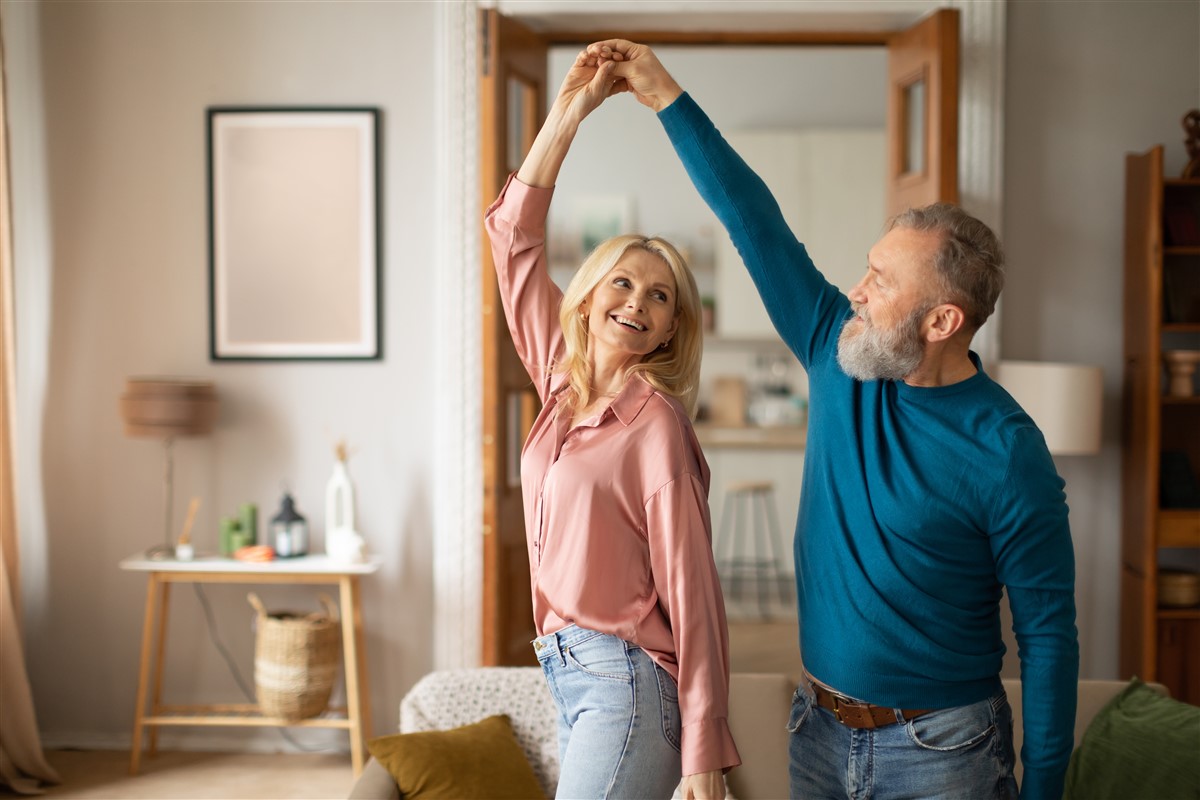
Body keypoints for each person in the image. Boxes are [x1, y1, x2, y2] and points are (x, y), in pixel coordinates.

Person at [585, 40, 1079, 800]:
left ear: (943, 319)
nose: (856, 289)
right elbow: (753, 218)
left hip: (945, 751)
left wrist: (1047, 791)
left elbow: (1048, 640)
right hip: (816, 731)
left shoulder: (1008, 451)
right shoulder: (835, 349)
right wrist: (663, 94)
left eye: (881, 281)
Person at [483, 51, 741, 800]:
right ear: (590, 297)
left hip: (628, 682)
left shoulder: (655, 428)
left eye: (661, 297)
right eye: (623, 282)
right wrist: (570, 111)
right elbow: (512, 238)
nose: (638, 301)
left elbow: (694, 594)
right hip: (570, 677)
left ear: (668, 331)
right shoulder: (562, 379)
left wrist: (705, 753)